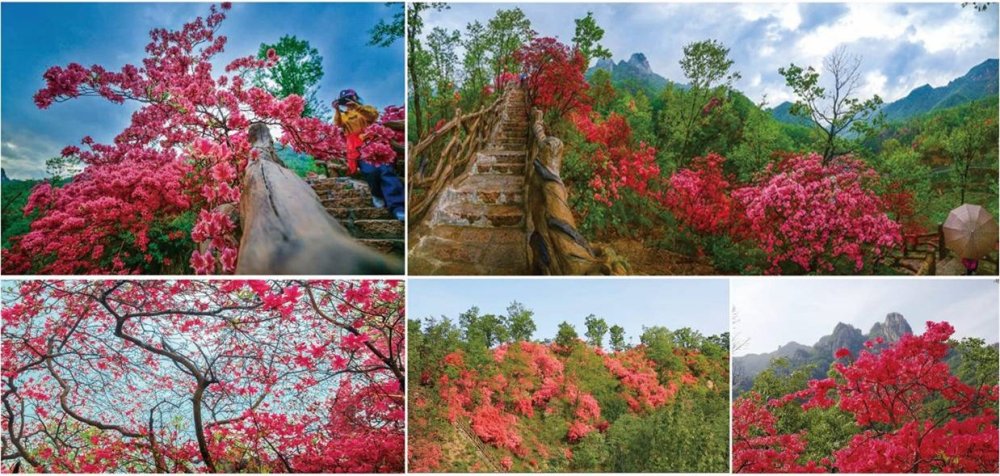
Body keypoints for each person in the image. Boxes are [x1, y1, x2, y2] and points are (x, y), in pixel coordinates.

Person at [334, 89, 405, 221]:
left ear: (355, 97)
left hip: (375, 143)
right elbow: (338, 124)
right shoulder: (344, 116)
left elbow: (373, 116)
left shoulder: (365, 109)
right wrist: (337, 110)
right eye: (344, 99)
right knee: (370, 172)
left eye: (350, 97)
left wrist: (357, 108)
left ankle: (398, 207)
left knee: (386, 171)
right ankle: (376, 194)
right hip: (358, 148)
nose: (348, 101)